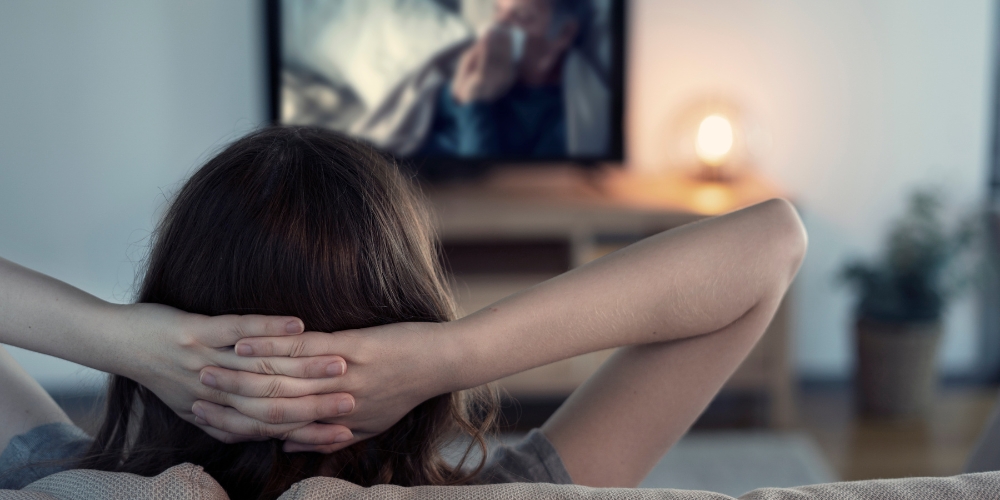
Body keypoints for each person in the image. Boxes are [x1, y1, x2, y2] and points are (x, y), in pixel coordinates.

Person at [0, 126, 807, 497]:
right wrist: (451, 355)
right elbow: (772, 241)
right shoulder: (525, 495)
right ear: (409, 309)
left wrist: (116, 339)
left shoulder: (54, 479)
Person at [419, 0, 587, 158]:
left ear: (564, 33)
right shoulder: (484, 65)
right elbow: (424, 115)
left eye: (522, 17)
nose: (497, 25)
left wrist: (475, 103)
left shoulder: (562, 124)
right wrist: (459, 85)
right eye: (498, 10)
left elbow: (480, 181)